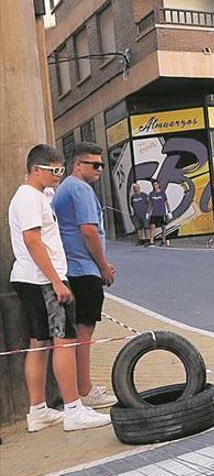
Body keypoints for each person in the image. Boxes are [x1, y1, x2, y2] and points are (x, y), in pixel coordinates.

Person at [9, 144, 112, 432]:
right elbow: (32, 241)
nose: (58, 175)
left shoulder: (37, 195)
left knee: (39, 343)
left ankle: (38, 410)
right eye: (53, 170)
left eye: (61, 170)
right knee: (64, 341)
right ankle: (73, 409)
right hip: (42, 280)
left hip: (32, 278)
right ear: (35, 170)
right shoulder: (29, 198)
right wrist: (56, 280)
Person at [51, 142, 119, 411]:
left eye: (101, 164)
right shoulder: (80, 189)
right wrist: (103, 266)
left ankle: (81, 388)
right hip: (82, 269)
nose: (100, 169)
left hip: (73, 267)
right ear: (78, 164)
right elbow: (89, 231)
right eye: (95, 164)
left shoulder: (66, 187)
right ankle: (85, 389)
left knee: (79, 332)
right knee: (84, 332)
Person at [147, 179, 171, 246]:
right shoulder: (151, 194)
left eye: (156, 185)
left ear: (158, 185)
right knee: (152, 226)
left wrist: (169, 212)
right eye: (154, 185)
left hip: (162, 213)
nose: (155, 186)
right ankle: (151, 241)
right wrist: (148, 213)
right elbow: (150, 204)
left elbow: (167, 203)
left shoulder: (163, 193)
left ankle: (163, 241)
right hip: (154, 213)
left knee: (163, 227)